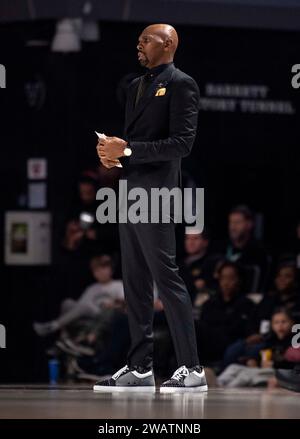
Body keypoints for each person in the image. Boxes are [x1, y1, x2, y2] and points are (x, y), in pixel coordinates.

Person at [94, 23, 207, 392]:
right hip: (130, 192)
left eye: (146, 40)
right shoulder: (134, 85)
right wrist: (114, 155)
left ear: (168, 43)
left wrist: (127, 150)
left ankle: (192, 369)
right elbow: (135, 143)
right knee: (135, 283)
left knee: (166, 279)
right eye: (139, 40)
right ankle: (140, 367)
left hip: (158, 194)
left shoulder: (181, 84)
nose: (138, 46)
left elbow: (182, 144)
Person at [33, 255, 124, 336]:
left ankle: (53, 326)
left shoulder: (118, 284)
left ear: (111, 270)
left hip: (104, 315)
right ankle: (64, 334)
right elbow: (81, 304)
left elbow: (123, 302)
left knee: (85, 307)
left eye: (104, 268)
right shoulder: (92, 288)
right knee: (67, 303)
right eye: (97, 270)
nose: (100, 272)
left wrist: (111, 303)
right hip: (88, 312)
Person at [217, 308, 299, 388]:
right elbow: (260, 356)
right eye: (276, 322)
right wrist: (253, 360)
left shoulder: (295, 341)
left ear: (292, 323)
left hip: (281, 373)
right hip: (264, 370)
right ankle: (215, 384)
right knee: (233, 367)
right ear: (272, 325)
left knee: (245, 375)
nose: (280, 325)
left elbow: (294, 365)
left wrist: (274, 364)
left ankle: (224, 390)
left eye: (284, 322)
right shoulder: (271, 340)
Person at [195, 261, 254, 363]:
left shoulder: (246, 304)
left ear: (239, 280)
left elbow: (244, 331)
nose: (226, 283)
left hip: (230, 345)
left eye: (231, 278)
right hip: (207, 344)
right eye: (223, 278)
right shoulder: (209, 303)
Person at [219, 205, 270, 292]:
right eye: (231, 222)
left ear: (249, 224)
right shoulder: (221, 248)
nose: (233, 227)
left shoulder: (258, 251)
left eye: (237, 222)